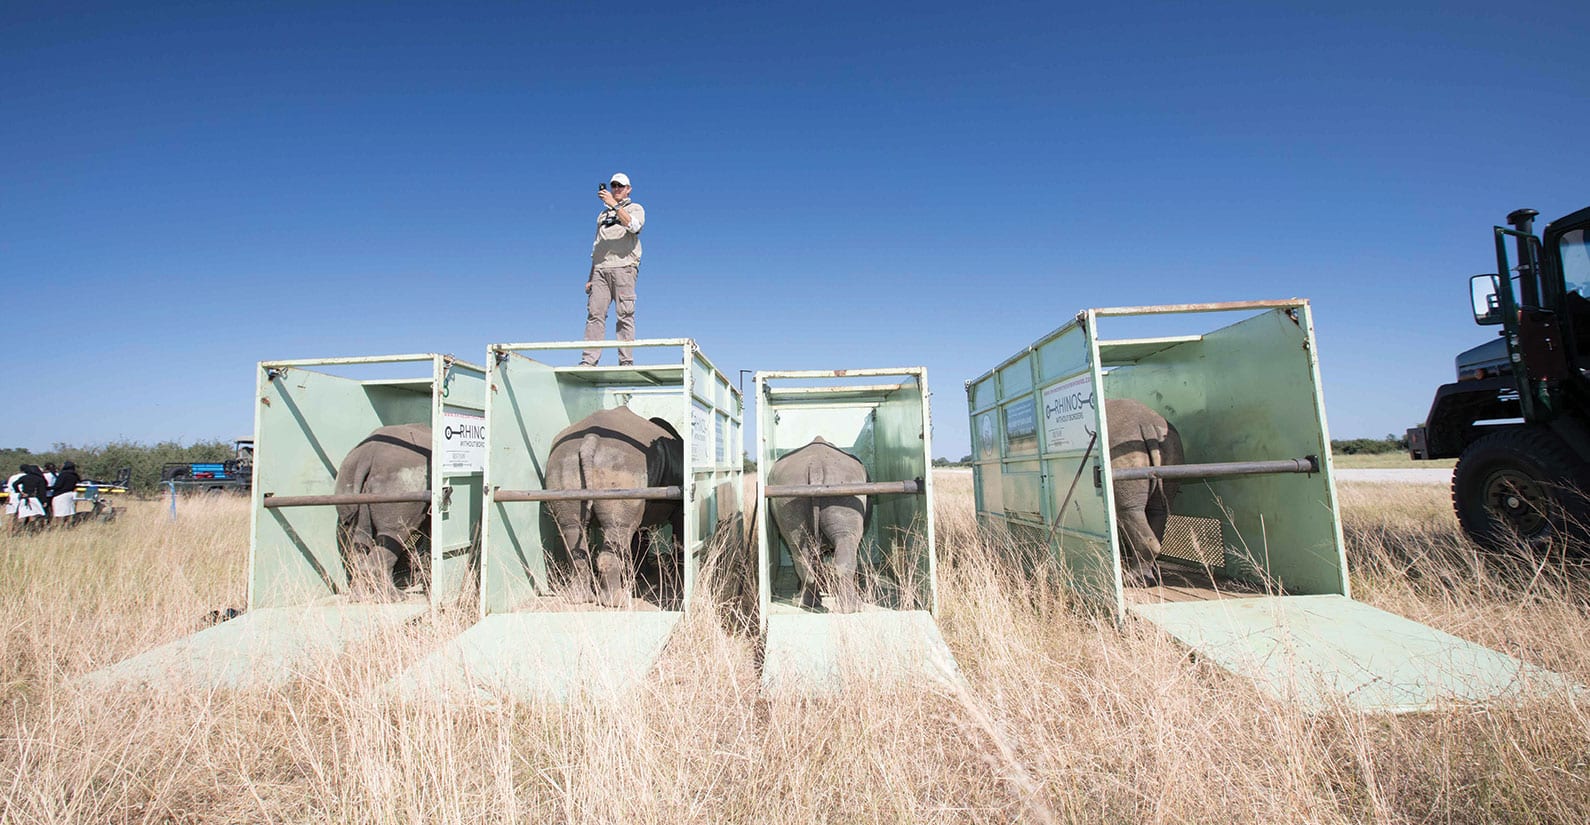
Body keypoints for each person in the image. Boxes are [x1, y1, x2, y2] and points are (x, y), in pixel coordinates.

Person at [580, 172, 646, 367]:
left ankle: (626, 362)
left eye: (620, 186)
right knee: (594, 314)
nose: (616, 189)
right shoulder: (602, 215)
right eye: (613, 185)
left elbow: (635, 227)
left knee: (624, 314)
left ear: (628, 189)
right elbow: (597, 246)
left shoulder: (635, 208)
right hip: (600, 270)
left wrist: (615, 206)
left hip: (624, 267)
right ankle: (589, 361)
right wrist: (591, 276)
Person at [13, 465, 49, 532]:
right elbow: (42, 492)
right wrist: (44, 501)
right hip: (33, 498)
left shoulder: (24, 477)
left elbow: (14, 484)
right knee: (33, 516)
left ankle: (18, 531)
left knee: (22, 516)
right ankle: (30, 531)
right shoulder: (40, 479)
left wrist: (20, 492)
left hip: (24, 499)